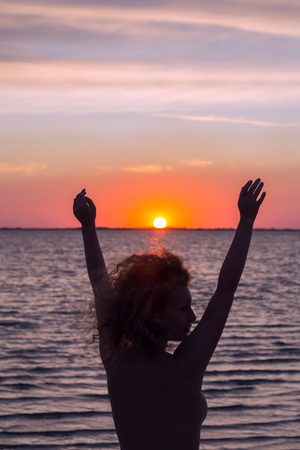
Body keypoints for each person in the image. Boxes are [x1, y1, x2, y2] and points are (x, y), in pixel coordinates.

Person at [73, 179, 266, 450]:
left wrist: (88, 226)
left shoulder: (115, 361)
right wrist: (246, 221)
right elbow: (226, 289)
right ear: (153, 312)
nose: (194, 317)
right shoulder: (185, 365)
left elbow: (100, 285)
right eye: (184, 309)